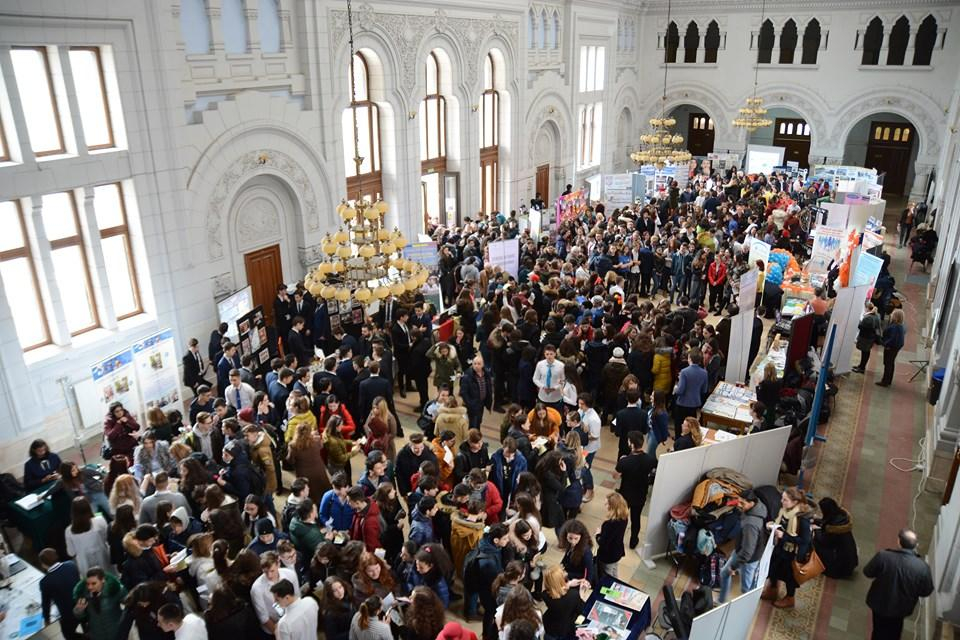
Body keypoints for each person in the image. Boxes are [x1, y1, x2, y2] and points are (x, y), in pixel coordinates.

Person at [863, 528, 934, 640]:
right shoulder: (922, 568)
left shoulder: (883, 556)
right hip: (901, 608)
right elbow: (926, 591)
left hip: (879, 602)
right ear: (916, 545)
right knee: (895, 630)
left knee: (878, 629)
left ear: (899, 541)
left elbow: (867, 572)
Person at [762, 487, 813, 609]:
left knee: (790, 577)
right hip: (780, 548)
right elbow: (781, 523)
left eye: (785, 500)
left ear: (795, 502)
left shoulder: (802, 519)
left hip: (793, 553)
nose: (782, 501)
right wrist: (773, 525)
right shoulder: (784, 511)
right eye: (782, 498)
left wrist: (784, 536)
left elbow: (805, 541)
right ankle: (773, 589)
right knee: (773, 568)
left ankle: (790, 598)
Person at [718, 489, 767, 603]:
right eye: (738, 501)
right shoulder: (758, 507)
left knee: (746, 589)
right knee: (724, 573)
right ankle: (721, 602)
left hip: (749, 559)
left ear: (751, 503)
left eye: (742, 503)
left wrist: (733, 566)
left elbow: (747, 552)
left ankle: (747, 608)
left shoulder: (750, 524)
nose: (739, 505)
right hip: (742, 551)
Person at [615, 431, 657, 549]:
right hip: (640, 493)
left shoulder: (625, 461)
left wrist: (621, 461)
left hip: (626, 493)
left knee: (621, 517)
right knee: (636, 518)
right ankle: (633, 540)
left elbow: (616, 475)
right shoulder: (650, 460)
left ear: (631, 444)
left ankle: (618, 539)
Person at [72, 566, 127, 640]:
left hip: (116, 633)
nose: (90, 587)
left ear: (103, 580)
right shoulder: (83, 595)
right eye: (88, 584)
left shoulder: (114, 591)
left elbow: (129, 605)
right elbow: (82, 617)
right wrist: (78, 611)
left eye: (94, 583)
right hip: (97, 635)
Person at [251, 551, 299, 636]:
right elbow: (264, 618)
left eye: (272, 571)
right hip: (273, 629)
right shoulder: (257, 589)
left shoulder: (290, 575)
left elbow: (297, 598)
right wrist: (280, 636)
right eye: (265, 572)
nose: (269, 575)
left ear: (278, 564)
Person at [38, 548, 81, 640]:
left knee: (68, 634)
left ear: (43, 564)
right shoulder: (71, 565)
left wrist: (47, 619)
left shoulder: (45, 582)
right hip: (83, 604)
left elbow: (46, 603)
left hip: (69, 614)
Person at [813, 497, 859, 579]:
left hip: (840, 566)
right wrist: (816, 521)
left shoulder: (834, 529)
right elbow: (826, 523)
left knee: (815, 542)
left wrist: (815, 531)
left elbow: (824, 541)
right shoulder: (841, 517)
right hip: (849, 560)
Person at [541, 565, 590, 640]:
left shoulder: (545, 595)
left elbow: (556, 590)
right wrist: (581, 595)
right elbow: (581, 610)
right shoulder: (573, 595)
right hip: (564, 630)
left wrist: (569, 584)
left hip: (550, 627)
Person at [65, 496, 111, 575]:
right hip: (104, 560)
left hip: (85, 566)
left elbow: (71, 552)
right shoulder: (100, 519)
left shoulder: (68, 531)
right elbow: (108, 538)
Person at [287, 421, 333, 500]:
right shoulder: (316, 440)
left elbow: (290, 460)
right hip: (319, 469)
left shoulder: (293, 446)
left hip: (303, 472)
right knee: (322, 489)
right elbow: (321, 447)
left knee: (309, 492)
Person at [673, 350, 708, 438]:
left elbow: (680, 390)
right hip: (695, 403)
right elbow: (704, 390)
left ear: (690, 358)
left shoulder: (684, 372)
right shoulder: (704, 373)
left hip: (682, 402)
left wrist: (675, 389)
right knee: (691, 425)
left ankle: (678, 441)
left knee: (680, 425)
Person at [595, 493, 628, 578]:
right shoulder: (624, 518)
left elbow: (603, 543)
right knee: (614, 571)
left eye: (607, 504)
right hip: (617, 551)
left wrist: (598, 534)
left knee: (607, 577)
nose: (605, 506)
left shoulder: (609, 524)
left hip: (608, 555)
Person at [557, 519, 596, 588]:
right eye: (570, 538)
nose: (573, 542)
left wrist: (568, 575)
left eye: (576, 538)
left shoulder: (586, 553)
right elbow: (567, 556)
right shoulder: (570, 544)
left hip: (576, 581)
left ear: (581, 537)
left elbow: (587, 575)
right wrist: (560, 566)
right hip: (568, 574)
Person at [461, 355, 494, 430]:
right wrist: (470, 403)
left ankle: (476, 434)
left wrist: (488, 402)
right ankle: (473, 436)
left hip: (481, 403)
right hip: (472, 404)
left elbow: (489, 388)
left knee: (478, 421)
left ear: (482, 364)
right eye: (475, 364)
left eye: (479, 364)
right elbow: (463, 392)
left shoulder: (486, 374)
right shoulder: (467, 376)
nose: (476, 366)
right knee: (473, 423)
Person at [877, 308, 906, 387]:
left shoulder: (896, 327)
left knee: (888, 364)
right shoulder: (900, 326)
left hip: (891, 348)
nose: (891, 315)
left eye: (893, 314)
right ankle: (888, 380)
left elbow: (893, 339)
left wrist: (885, 344)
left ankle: (885, 381)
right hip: (894, 348)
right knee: (890, 363)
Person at [347, 486, 382, 552]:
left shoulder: (369, 523)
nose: (348, 503)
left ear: (357, 503)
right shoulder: (359, 511)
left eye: (349, 501)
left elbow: (372, 547)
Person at [852, 302, 882, 374]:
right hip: (870, 338)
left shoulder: (868, 318)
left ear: (867, 308)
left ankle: (862, 368)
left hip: (866, 338)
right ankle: (861, 366)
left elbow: (862, 327)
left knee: (865, 353)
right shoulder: (876, 315)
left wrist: (858, 322)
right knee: (865, 352)